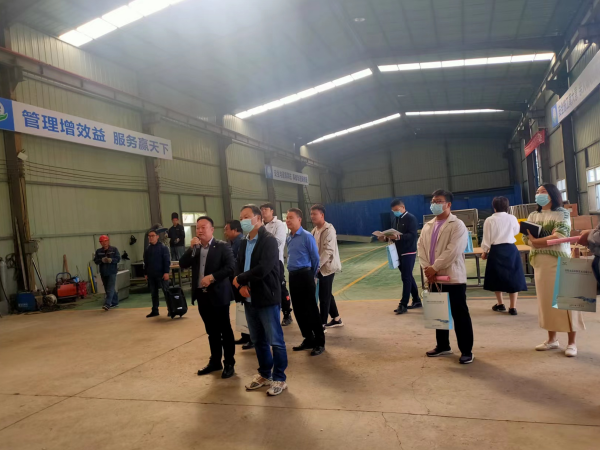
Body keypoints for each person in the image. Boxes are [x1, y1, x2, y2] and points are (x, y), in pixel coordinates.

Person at [523, 184, 584, 357]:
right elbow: (525, 237)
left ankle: (572, 342)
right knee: (546, 302)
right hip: (540, 263)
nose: (539, 194)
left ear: (552, 194)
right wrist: (538, 241)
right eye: (537, 192)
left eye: (543, 191)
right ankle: (552, 339)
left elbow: (559, 235)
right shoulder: (533, 215)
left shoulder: (562, 213)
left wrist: (536, 242)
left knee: (567, 302)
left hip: (559, 261)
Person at [234, 204, 288, 396]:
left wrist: (241, 278)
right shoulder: (243, 242)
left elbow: (264, 268)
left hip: (266, 297)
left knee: (275, 341)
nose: (243, 221)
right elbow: (238, 265)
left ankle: (279, 378)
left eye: (246, 216)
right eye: (241, 217)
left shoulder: (269, 241)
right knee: (258, 340)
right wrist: (240, 286)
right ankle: (265, 374)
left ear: (258, 218)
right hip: (249, 298)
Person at [418, 189, 474, 365]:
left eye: (439, 201)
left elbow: (453, 250)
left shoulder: (457, 225)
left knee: (459, 315)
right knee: (438, 313)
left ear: (448, 204)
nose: (434, 204)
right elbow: (421, 248)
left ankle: (466, 350)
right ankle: (443, 345)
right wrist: (427, 269)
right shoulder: (428, 226)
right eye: (433, 201)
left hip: (452, 277)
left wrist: (434, 268)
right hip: (433, 277)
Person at [180, 216, 236, 378]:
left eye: (203, 227)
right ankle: (215, 361)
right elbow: (183, 264)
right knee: (211, 331)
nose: (200, 230)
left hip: (219, 294)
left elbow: (230, 267)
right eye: (197, 228)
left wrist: (212, 277)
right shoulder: (195, 248)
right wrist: (190, 248)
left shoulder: (222, 246)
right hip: (202, 295)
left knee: (224, 330)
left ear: (212, 229)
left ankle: (229, 363)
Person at [286, 208, 325, 356]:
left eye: (291, 217)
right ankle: (308, 338)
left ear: (299, 219)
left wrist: (311, 275)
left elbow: (315, 258)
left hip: (305, 275)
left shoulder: (307, 236)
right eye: (287, 218)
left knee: (311, 309)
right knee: (298, 309)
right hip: (293, 276)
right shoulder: (289, 237)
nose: (288, 220)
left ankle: (319, 342)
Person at [481, 196, 527, 315]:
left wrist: (485, 251)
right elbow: (516, 231)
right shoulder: (512, 218)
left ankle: (500, 304)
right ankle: (513, 307)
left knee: (497, 277)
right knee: (513, 277)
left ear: (494, 207)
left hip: (496, 250)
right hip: (511, 249)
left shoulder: (489, 220)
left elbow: (486, 238)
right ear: (507, 207)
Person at [378, 199, 421, 314]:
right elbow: (392, 235)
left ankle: (403, 304)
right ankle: (417, 300)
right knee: (408, 276)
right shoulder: (395, 219)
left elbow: (412, 235)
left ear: (403, 207)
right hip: (398, 251)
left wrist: (398, 237)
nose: (395, 212)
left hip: (408, 251)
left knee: (406, 277)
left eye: (397, 210)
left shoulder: (411, 218)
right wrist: (385, 237)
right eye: (393, 211)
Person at [310, 204, 343, 328]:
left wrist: (317, 266)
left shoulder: (329, 229)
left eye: (315, 214)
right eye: (311, 214)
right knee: (327, 293)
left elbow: (328, 251)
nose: (312, 216)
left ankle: (322, 324)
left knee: (324, 296)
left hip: (327, 268)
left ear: (322, 215)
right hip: (318, 267)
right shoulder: (314, 231)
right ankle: (337, 319)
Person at [260, 202, 293, 326]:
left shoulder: (278, 224)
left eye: (266, 209)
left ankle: (287, 313)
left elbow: (278, 241)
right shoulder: (260, 225)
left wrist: (262, 247)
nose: (263, 211)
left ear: (272, 211)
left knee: (280, 286)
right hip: (261, 262)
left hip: (275, 262)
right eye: (262, 209)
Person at [225, 220, 254, 350]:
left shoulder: (241, 242)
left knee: (247, 309)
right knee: (241, 308)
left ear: (235, 230)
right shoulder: (234, 242)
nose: (225, 232)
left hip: (242, 281)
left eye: (227, 229)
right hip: (236, 281)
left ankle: (252, 337)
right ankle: (245, 335)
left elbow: (239, 263)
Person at [144, 228, 171, 318]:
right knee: (154, 293)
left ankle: (170, 309)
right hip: (151, 275)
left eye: (152, 236)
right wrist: (146, 273)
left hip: (161, 274)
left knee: (166, 292)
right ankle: (155, 310)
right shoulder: (148, 249)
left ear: (157, 236)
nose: (151, 238)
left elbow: (166, 261)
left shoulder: (163, 248)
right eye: (149, 236)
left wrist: (166, 272)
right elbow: (146, 262)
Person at [94, 235, 121, 311]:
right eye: (102, 241)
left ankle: (107, 304)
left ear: (108, 241)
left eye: (105, 241)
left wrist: (111, 260)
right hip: (103, 272)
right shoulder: (98, 251)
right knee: (107, 288)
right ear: (100, 243)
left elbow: (118, 259)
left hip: (112, 272)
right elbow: (96, 261)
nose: (104, 243)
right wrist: (101, 260)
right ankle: (115, 302)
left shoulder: (114, 249)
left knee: (110, 288)